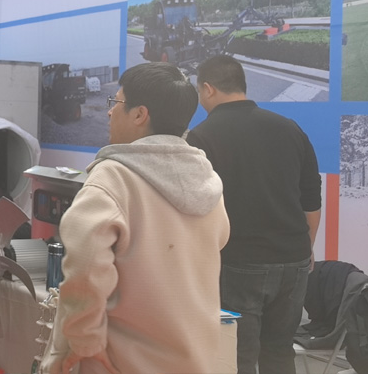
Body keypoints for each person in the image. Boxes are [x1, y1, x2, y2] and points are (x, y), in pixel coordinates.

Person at [40, 62, 230, 374]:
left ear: (140, 114)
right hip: (195, 359)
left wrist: (82, 341)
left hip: (122, 361)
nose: (109, 112)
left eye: (116, 102)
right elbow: (219, 240)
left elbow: (85, 269)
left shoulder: (113, 177)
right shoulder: (208, 181)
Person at [186, 55, 322, 374]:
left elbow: (196, 210)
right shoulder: (290, 129)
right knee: (280, 352)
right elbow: (311, 199)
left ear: (208, 89)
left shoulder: (200, 137)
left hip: (238, 265)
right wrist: (305, 249)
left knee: (237, 357)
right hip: (294, 261)